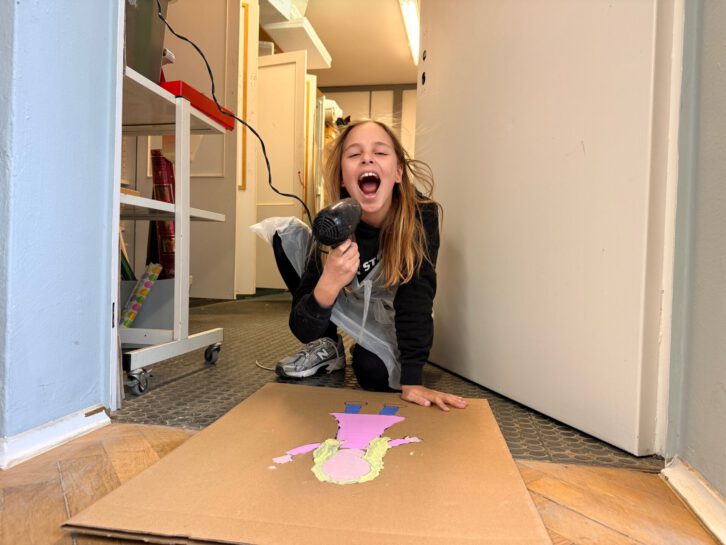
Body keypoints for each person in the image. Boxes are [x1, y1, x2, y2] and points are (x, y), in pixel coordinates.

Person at [273, 120, 467, 412]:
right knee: (284, 236)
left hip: (389, 310)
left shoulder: (421, 216)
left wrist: (412, 380)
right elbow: (303, 330)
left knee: (373, 373)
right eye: (354, 154)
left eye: (380, 152)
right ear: (342, 177)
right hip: (344, 299)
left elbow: (417, 298)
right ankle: (329, 346)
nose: (367, 159)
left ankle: (367, 346)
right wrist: (329, 283)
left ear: (398, 172)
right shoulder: (332, 225)